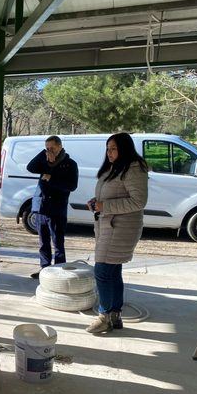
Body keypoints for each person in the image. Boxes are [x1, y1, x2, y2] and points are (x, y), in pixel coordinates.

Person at [85, 132, 149, 334]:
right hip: (108, 225)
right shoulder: (114, 167)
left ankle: (104, 316)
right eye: (108, 148)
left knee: (102, 271)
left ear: (125, 148)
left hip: (121, 228)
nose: (109, 152)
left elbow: (138, 201)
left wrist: (105, 205)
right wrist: (96, 202)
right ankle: (114, 315)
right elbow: (110, 193)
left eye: (113, 148)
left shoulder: (134, 168)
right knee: (112, 272)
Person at [26, 136, 78, 278]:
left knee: (58, 242)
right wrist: (43, 154)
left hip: (57, 208)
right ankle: (45, 268)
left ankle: (60, 270)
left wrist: (52, 178)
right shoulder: (44, 161)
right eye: (47, 148)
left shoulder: (70, 164)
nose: (50, 151)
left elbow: (72, 186)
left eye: (52, 148)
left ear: (60, 147)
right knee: (43, 242)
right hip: (41, 207)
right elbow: (30, 167)